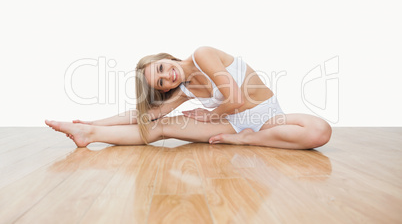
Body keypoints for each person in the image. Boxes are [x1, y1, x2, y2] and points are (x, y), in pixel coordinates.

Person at [45, 46, 332, 149]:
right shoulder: (182, 90)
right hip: (230, 123)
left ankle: (246, 140)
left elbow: (236, 100)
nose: (166, 77)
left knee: (320, 131)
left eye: (161, 68)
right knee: (160, 127)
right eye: (160, 82)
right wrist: (94, 122)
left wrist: (210, 116)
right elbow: (146, 116)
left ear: (168, 58)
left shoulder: (202, 54)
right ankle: (89, 135)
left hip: (268, 117)